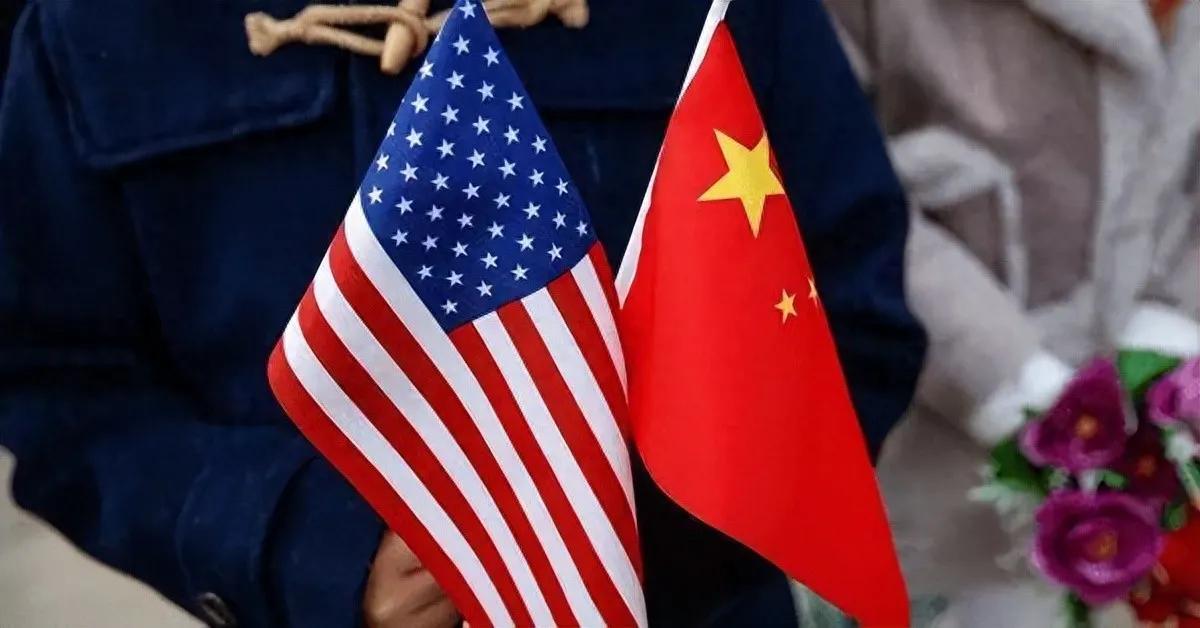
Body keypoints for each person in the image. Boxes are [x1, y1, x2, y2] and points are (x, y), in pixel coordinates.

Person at [0, 0, 925, 626]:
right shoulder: (97, 25)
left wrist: (593, 543)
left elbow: (847, 315)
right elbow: (61, 392)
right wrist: (302, 542)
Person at [823, 0, 1200, 625]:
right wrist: (1016, 382)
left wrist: (1172, 336)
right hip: (942, 461)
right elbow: (822, 176)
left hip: (1174, 442)